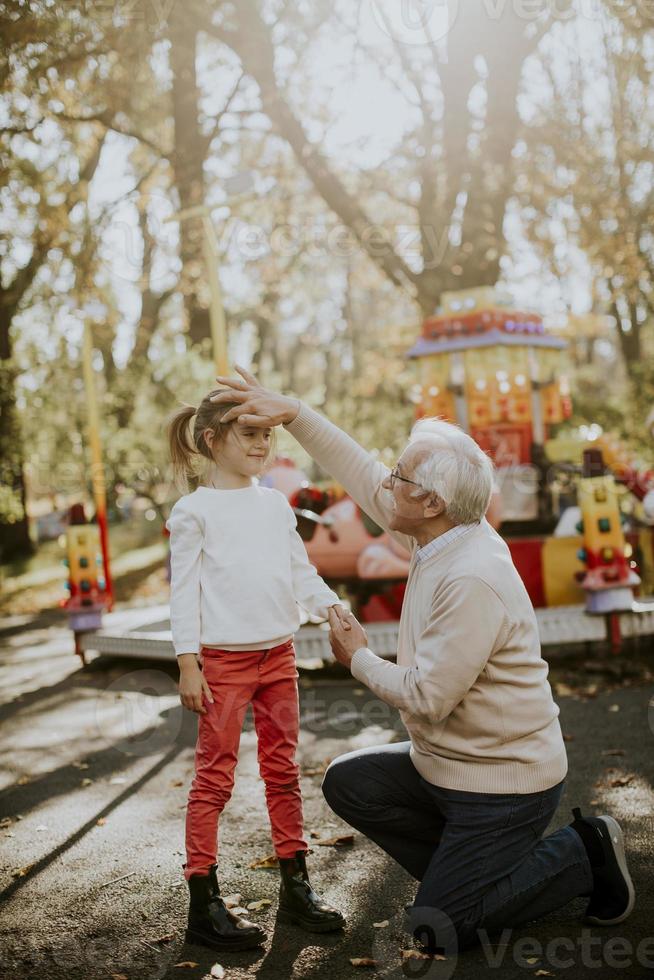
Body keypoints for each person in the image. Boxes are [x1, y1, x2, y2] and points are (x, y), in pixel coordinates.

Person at [209, 366, 635, 955]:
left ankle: (577, 854)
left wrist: (357, 659)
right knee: (350, 784)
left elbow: (429, 697)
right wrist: (297, 413)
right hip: (445, 767)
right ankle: (470, 879)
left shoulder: (472, 577)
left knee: (438, 928)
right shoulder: (439, 531)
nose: (386, 483)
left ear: (430, 500)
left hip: (503, 785)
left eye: (400, 477)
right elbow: (360, 470)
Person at [165, 388, 348, 952]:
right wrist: (188, 664)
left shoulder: (273, 504)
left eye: (267, 433)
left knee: (283, 771)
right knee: (214, 778)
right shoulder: (193, 511)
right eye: (249, 433)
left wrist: (333, 607)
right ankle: (204, 901)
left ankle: (297, 885)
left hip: (279, 656)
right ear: (211, 439)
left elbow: (299, 571)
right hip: (222, 663)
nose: (261, 442)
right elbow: (183, 595)